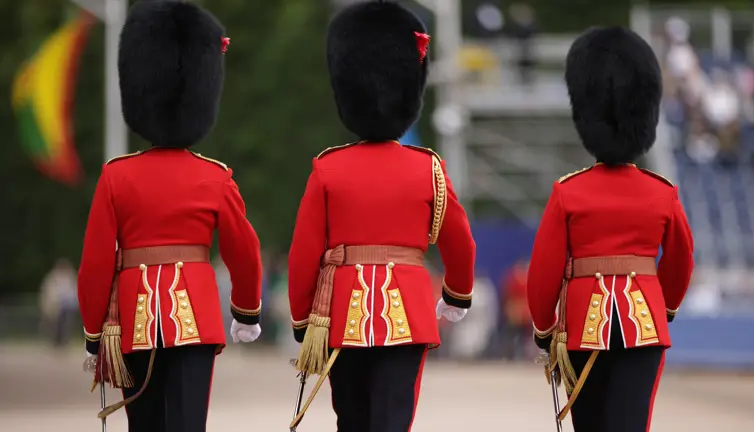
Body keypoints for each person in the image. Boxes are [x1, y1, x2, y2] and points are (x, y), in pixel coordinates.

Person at [287, 2, 476, 431]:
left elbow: (303, 255)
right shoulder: (429, 168)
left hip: (339, 311)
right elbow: (460, 240)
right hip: (407, 310)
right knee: (393, 419)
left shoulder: (327, 169)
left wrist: (304, 320)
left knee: (350, 420)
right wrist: (457, 294)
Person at [77, 1, 263, 431]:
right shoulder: (214, 177)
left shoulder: (115, 176)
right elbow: (244, 249)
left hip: (132, 315)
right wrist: (246, 310)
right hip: (195, 314)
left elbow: (96, 262)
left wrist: (93, 331)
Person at [526, 27, 695, 432]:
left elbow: (543, 270)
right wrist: (664, 305)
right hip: (645, 324)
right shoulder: (663, 193)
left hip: (584, 325)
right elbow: (680, 260)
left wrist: (545, 327)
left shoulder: (569, 192)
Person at [39, 258, 78, 348]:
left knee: (66, 326)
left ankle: (64, 342)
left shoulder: (71, 277)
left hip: (68, 307)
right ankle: (56, 343)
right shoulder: (52, 278)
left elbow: (74, 292)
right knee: (55, 326)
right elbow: (48, 293)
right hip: (56, 307)